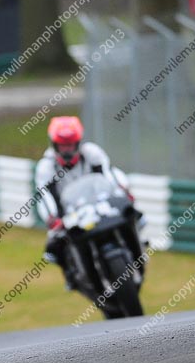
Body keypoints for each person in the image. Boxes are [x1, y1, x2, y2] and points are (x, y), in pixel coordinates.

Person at [35, 116, 132, 289]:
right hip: (68, 214)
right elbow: (45, 195)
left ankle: (136, 248)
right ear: (54, 145)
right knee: (54, 247)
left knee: (131, 215)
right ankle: (71, 275)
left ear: (78, 143)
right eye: (63, 146)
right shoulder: (46, 167)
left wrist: (122, 192)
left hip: (100, 202)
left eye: (70, 145)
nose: (67, 150)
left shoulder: (91, 153)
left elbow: (108, 173)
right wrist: (52, 218)